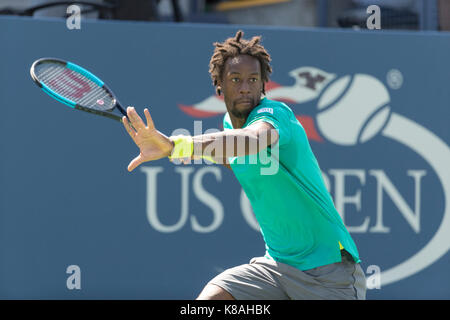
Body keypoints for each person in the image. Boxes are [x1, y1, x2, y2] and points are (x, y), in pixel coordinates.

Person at [122, 30, 366, 300]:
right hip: (275, 268)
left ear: (263, 85)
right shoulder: (229, 124)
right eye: (235, 80)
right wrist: (171, 152)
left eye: (253, 80)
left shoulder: (276, 115)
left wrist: (177, 145)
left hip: (328, 273)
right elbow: (234, 155)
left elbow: (253, 140)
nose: (245, 87)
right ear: (219, 85)